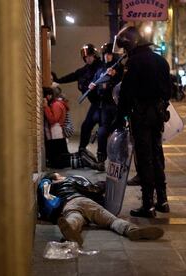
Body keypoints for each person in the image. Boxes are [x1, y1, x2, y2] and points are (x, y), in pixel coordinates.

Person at [113, 26, 171, 217]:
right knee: (157, 155)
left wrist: (119, 118)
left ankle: (148, 205)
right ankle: (163, 200)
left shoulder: (134, 62)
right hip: (158, 114)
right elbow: (168, 91)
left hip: (141, 114)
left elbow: (126, 94)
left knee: (145, 157)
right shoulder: (161, 61)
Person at [39, 172, 164, 246]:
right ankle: (130, 230)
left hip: (67, 206)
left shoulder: (51, 190)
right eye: (59, 175)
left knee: (74, 218)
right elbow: (92, 189)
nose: (62, 176)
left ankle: (70, 229)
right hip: (82, 201)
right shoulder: (69, 180)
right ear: (57, 179)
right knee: (111, 220)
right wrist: (104, 184)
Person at [54, 44, 105, 170]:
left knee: (102, 132)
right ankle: (82, 150)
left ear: (95, 55)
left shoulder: (101, 68)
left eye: (90, 56)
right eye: (86, 57)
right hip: (95, 104)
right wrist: (58, 81)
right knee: (86, 126)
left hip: (105, 104)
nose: (87, 59)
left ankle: (101, 160)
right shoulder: (85, 70)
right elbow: (73, 75)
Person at [87, 42, 123, 168]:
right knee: (102, 132)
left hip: (118, 106)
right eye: (105, 54)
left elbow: (122, 84)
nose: (107, 56)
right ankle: (101, 158)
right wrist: (93, 86)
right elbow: (96, 90)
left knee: (120, 132)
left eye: (109, 54)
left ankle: (119, 160)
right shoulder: (101, 70)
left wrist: (115, 76)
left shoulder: (119, 68)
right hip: (105, 106)